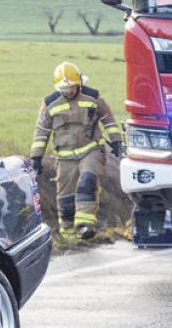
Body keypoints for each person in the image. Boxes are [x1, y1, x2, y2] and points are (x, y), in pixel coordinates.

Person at [29, 61, 123, 240]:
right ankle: (68, 235)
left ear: (79, 83)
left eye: (72, 87)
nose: (69, 91)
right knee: (65, 197)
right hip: (64, 157)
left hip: (91, 150)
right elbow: (42, 131)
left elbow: (108, 118)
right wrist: (36, 157)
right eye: (64, 88)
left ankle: (85, 225)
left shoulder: (93, 97)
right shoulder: (50, 104)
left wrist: (116, 141)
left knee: (88, 180)